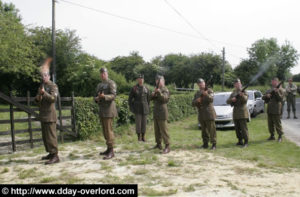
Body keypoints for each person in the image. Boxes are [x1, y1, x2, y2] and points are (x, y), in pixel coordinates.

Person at [35, 58, 60, 165]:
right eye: (42, 75)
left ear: (49, 76)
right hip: (43, 115)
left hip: (50, 115)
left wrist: (44, 93)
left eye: (45, 75)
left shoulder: (52, 86)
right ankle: (50, 153)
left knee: (51, 136)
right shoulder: (41, 86)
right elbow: (36, 99)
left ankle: (55, 156)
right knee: (45, 137)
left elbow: (53, 99)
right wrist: (39, 96)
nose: (44, 77)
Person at [95, 68, 118, 160]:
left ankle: (111, 151)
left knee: (109, 131)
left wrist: (104, 96)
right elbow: (96, 95)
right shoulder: (99, 85)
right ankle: (108, 149)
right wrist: (96, 98)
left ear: (107, 74)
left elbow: (113, 95)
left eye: (104, 73)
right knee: (105, 131)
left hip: (109, 110)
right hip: (102, 110)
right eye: (101, 73)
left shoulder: (111, 83)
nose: (102, 75)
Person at [192, 78, 217, 150]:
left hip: (209, 113)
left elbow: (211, 99)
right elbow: (193, 103)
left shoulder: (209, 91)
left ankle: (214, 144)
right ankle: (205, 144)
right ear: (197, 85)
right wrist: (197, 101)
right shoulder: (197, 93)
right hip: (201, 114)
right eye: (199, 83)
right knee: (204, 130)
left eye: (202, 83)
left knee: (212, 130)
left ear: (204, 83)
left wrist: (206, 95)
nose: (201, 84)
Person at [226, 79, 249, 148]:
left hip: (242, 113)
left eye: (238, 83)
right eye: (236, 84)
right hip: (235, 113)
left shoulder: (244, 91)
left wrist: (242, 95)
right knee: (237, 128)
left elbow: (245, 100)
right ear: (234, 85)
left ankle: (246, 141)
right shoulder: (233, 93)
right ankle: (240, 140)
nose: (237, 85)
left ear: (241, 84)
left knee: (244, 128)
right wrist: (232, 100)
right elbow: (227, 101)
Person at [151, 75, 170, 154]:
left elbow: (165, 99)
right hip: (156, 112)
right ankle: (158, 144)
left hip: (162, 112)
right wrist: (152, 95)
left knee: (164, 130)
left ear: (163, 81)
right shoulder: (156, 89)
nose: (158, 82)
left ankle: (167, 146)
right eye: (157, 81)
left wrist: (158, 92)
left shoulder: (165, 89)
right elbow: (151, 99)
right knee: (157, 130)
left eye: (160, 80)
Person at [128, 74, 150, 142]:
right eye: (139, 79)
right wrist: (131, 108)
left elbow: (148, 99)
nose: (141, 80)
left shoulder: (146, 88)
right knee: (138, 123)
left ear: (143, 80)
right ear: (137, 80)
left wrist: (147, 107)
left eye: (142, 79)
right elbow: (130, 99)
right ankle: (139, 137)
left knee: (144, 123)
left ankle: (143, 136)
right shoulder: (134, 88)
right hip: (137, 108)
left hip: (144, 108)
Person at [262, 77, 284, 142]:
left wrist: (277, 92)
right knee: (270, 124)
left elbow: (280, 99)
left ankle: (280, 136)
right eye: (272, 81)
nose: (272, 82)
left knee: (277, 124)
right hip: (270, 109)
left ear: (277, 82)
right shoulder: (269, 90)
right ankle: (272, 136)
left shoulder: (280, 90)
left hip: (276, 109)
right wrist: (267, 96)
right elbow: (263, 97)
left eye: (274, 81)